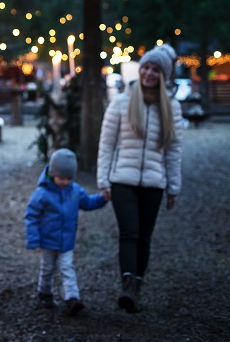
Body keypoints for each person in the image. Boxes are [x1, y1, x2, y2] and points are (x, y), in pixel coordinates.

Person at [97, 43, 183, 313]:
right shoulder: (122, 102)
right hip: (123, 179)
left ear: (163, 75)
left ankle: (136, 287)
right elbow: (107, 144)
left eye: (155, 70)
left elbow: (173, 150)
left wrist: (173, 186)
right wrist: (103, 180)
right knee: (129, 232)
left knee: (145, 237)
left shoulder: (171, 108)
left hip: (154, 183)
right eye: (145, 67)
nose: (148, 73)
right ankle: (127, 286)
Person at [24, 148, 107, 316]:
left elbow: (88, 203)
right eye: (61, 178)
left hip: (66, 241)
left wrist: (103, 198)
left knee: (67, 268)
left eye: (69, 178)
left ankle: (72, 298)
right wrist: (34, 238)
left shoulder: (75, 191)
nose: (65, 182)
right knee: (47, 268)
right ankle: (45, 292)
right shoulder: (42, 193)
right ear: (53, 173)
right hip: (48, 241)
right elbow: (31, 215)